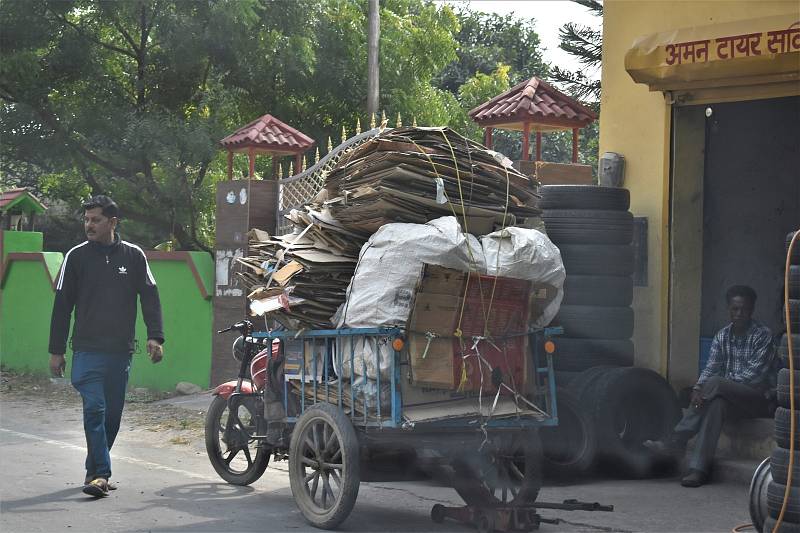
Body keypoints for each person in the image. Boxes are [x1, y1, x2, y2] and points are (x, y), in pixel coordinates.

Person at [49, 195, 164, 498]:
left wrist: (156, 336)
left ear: (112, 222)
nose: (89, 225)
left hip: (121, 350)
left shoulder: (134, 255)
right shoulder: (76, 256)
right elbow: (62, 306)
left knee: (112, 415)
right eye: (86, 219)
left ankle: (93, 471)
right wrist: (57, 350)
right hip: (86, 350)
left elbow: (150, 296)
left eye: (96, 219)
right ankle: (101, 474)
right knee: (96, 408)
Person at [645, 285, 775, 487]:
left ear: (752, 310)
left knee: (715, 385)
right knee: (716, 405)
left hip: (757, 400)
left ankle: (677, 439)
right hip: (728, 399)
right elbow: (711, 368)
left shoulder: (762, 335)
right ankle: (699, 469)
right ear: (728, 309)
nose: (739, 314)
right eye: (735, 309)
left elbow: (754, 377)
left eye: (744, 310)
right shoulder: (722, 335)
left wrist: (712, 387)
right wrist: (698, 389)